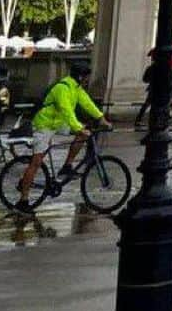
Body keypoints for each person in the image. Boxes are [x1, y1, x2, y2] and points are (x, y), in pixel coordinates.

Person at [17, 62, 110, 207]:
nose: (87, 80)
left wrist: (101, 118)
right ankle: (23, 199)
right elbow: (67, 110)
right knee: (36, 162)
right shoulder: (63, 88)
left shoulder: (76, 88)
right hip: (44, 125)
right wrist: (78, 127)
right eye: (86, 77)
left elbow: (87, 103)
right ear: (80, 76)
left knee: (84, 134)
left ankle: (67, 166)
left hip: (57, 123)